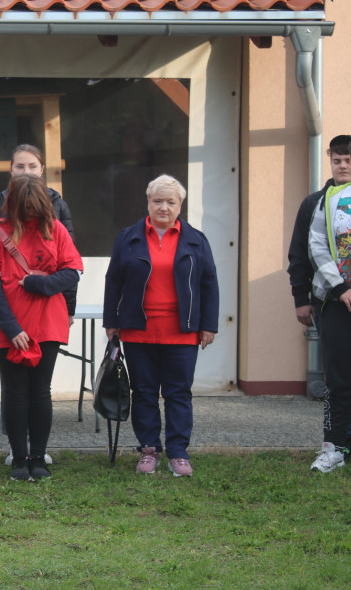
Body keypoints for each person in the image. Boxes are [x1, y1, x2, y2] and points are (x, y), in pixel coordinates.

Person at [103, 174, 218, 477]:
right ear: (148, 203)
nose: (164, 207)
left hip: (182, 330)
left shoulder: (196, 240)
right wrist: (111, 321)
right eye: (158, 201)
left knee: (178, 393)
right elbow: (113, 281)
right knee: (144, 392)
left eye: (171, 201)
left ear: (181, 205)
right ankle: (149, 449)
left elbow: (209, 284)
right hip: (139, 328)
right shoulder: (129, 237)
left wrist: (208, 325)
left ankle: (178, 452)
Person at [0, 175, 83, 481]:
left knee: (40, 391)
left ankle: (38, 457)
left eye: (34, 209)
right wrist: (11, 328)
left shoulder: (56, 230)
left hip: (48, 322)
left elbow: (73, 271)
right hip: (8, 324)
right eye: (24, 209)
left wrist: (41, 283)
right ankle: (18, 457)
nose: (29, 216)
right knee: (14, 392)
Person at [287, 134, 351, 459]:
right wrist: (332, 290)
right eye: (347, 158)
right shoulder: (323, 201)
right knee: (341, 378)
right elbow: (308, 250)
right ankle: (342, 442)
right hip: (336, 302)